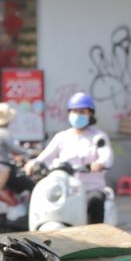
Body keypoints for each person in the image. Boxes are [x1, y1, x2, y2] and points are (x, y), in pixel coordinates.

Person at [25, 92, 113, 223]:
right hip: (66, 189)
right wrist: (32, 163)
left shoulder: (98, 136)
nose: (77, 115)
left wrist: (99, 163)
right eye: (74, 111)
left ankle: (97, 238)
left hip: (91, 188)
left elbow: (107, 156)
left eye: (82, 111)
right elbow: (45, 156)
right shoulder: (62, 137)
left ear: (90, 114)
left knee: (95, 201)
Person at [0, 103, 35, 195]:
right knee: (29, 184)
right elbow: (16, 149)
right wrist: (31, 152)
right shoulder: (4, 132)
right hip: (3, 166)